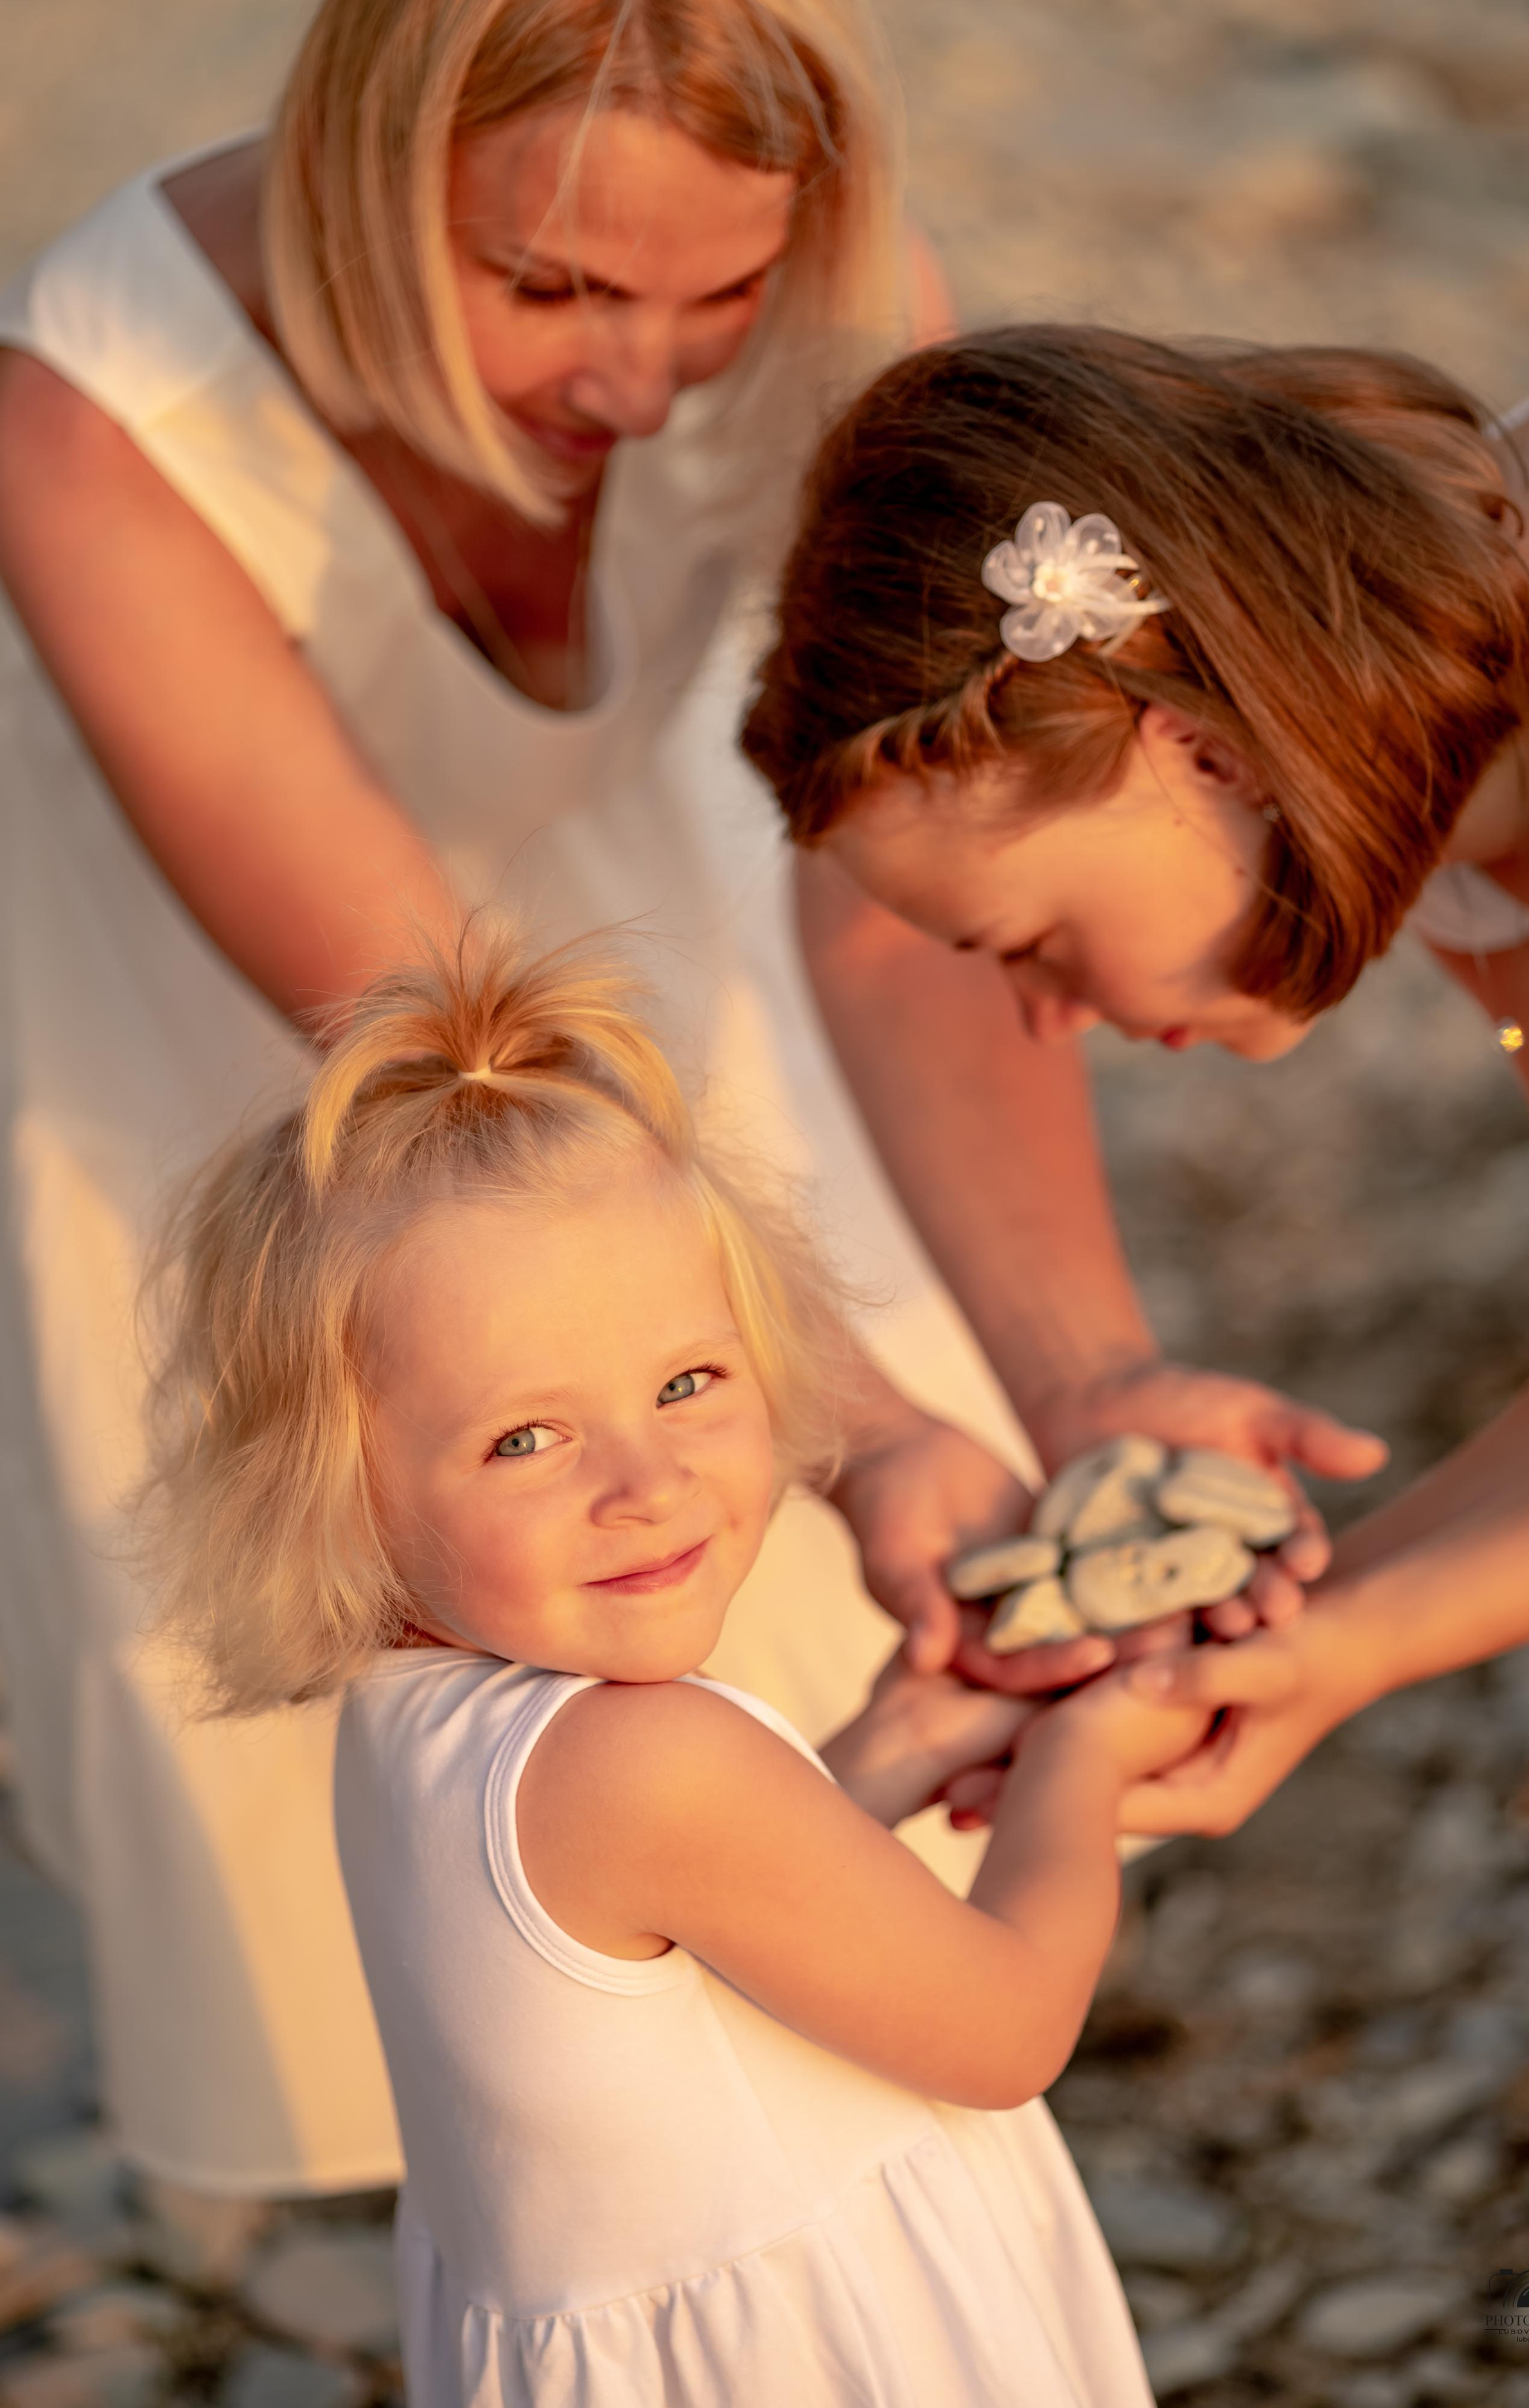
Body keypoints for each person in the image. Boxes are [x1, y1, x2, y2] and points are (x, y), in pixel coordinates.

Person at [0, 0, 1027, 2204]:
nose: (647, 383)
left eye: (720, 294)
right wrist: (854, 1417)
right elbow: (455, 1053)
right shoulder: (92, 427)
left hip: (616, 925)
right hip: (335, 1039)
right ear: (373, 173)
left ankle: (832, 2074)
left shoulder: (854, 312)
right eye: (550, 284)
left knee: (775, 1528)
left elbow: (922, 881)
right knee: (470, 1507)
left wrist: (1082, 1366)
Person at [140, 925, 1196, 2407]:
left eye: (689, 1383)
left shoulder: (419, 1722)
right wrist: (1086, 1756)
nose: (645, 1482)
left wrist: (884, 1749)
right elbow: (1005, 2029)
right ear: (329, 1492)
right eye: (526, 1437)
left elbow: (661, 1928)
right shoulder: (646, 1759)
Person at [739, 317, 1529, 1830]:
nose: (1042, 1018)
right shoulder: (1434, 716)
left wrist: (1350, 1641)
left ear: (1201, 753)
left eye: (1026, 940)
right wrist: (1296, 1642)